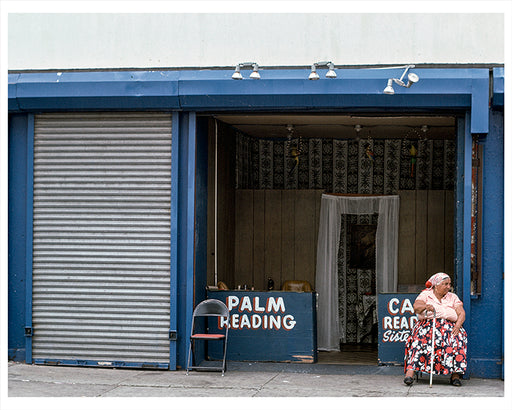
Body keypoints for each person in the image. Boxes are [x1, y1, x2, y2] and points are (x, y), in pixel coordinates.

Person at [403, 272, 467, 387]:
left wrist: (457, 326)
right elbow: (416, 308)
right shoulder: (426, 295)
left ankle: (455, 375)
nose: (448, 286)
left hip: (451, 327)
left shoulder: (453, 297)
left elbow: (461, 313)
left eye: (449, 284)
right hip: (428, 326)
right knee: (419, 341)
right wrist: (425, 306)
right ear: (436, 285)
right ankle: (410, 373)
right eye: (445, 284)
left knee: (457, 340)